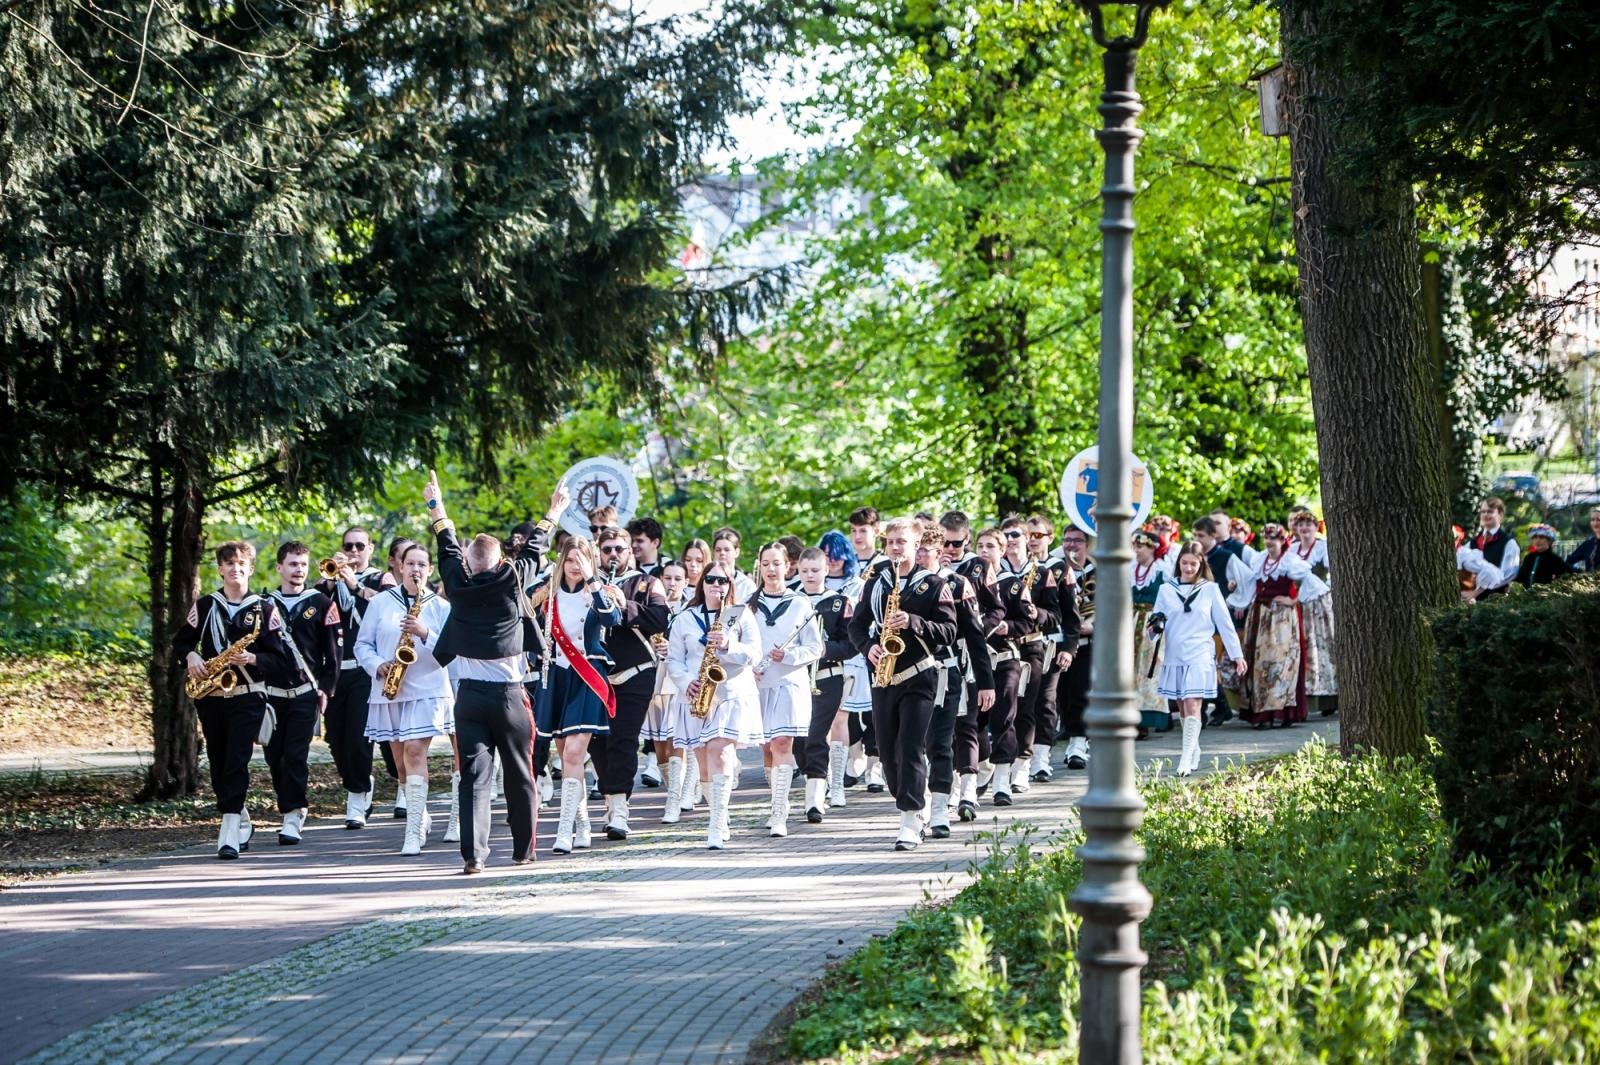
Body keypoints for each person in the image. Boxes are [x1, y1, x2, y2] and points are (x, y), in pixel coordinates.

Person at [424, 472, 554, 872]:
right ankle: (523, 851)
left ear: (468, 563)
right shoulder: (512, 583)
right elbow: (534, 549)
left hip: (470, 698)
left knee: (473, 779)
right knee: (520, 775)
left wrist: (436, 505)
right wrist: (553, 511)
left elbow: (446, 543)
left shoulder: (456, 583)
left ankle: (473, 856)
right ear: (501, 563)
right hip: (510, 696)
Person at [176, 541, 295, 859]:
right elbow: (181, 642)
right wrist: (190, 656)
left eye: (241, 563)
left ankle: (228, 832)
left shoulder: (265, 610)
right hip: (212, 696)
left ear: (251, 568)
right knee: (218, 763)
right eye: (228, 563)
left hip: (248, 696)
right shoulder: (204, 606)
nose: (235, 568)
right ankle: (240, 817)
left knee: (236, 762)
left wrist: (253, 660)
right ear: (220, 569)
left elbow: (282, 660)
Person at [848, 516, 959, 850]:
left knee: (912, 746)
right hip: (883, 676)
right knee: (887, 754)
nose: (895, 548)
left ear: (916, 545)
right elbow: (856, 626)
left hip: (920, 674)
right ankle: (912, 799)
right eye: (891, 542)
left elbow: (950, 631)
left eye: (902, 542)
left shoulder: (934, 584)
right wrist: (868, 648)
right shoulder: (878, 581)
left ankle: (910, 820)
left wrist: (913, 621)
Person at [355, 542, 454, 855]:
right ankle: (419, 813)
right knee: (400, 766)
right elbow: (362, 645)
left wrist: (424, 632)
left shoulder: (439, 607)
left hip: (427, 688)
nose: (416, 570)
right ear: (400, 567)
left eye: (422, 565)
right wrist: (377, 665)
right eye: (410, 564)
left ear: (430, 570)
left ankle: (412, 833)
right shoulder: (381, 603)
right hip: (390, 689)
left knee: (414, 751)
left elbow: (450, 652)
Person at [531, 535, 623, 853]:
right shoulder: (548, 597)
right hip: (557, 677)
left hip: (587, 677)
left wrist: (593, 580)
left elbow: (612, 618)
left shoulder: (598, 592)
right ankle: (581, 823)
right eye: (569, 560)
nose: (574, 566)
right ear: (561, 562)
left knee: (573, 754)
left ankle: (563, 831)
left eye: (580, 561)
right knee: (566, 755)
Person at [666, 562, 764, 849]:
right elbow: (674, 659)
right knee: (704, 764)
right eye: (711, 580)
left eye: (723, 580)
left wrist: (728, 646)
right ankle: (717, 813)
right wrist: (686, 683)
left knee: (719, 752)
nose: (716, 585)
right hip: (696, 695)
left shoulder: (740, 614)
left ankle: (716, 823)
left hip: (730, 694)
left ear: (730, 584)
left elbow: (755, 655)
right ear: (702, 583)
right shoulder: (685, 618)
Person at [591, 526, 670, 841]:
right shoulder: (588, 584)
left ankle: (621, 811)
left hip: (635, 670)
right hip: (595, 673)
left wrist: (624, 605)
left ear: (630, 552)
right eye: (607, 549)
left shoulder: (648, 583)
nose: (613, 555)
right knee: (596, 742)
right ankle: (611, 802)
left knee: (623, 739)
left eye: (619, 549)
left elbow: (660, 619)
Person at [262, 542, 341, 845]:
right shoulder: (263, 603)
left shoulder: (321, 603)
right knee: (274, 757)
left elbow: (333, 650)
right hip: (270, 692)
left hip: (305, 690)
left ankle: (293, 813)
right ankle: (289, 804)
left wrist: (327, 687)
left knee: (296, 755)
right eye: (293, 564)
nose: (298, 570)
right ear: (279, 567)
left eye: (303, 565)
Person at [1151, 542, 1246, 776]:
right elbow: (1153, 628)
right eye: (1185, 563)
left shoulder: (1210, 589)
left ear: (1201, 564)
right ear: (1179, 563)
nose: (1189, 567)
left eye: (1194, 563)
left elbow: (1225, 624)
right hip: (1175, 652)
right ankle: (1193, 749)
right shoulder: (1166, 589)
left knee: (1193, 703)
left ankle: (1184, 759)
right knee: (1183, 706)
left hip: (1201, 651)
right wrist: (1154, 626)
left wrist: (1237, 655)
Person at [751, 543, 822, 836]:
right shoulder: (748, 605)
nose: (771, 569)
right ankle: (774, 801)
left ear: (787, 566)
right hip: (758, 684)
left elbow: (816, 647)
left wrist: (789, 656)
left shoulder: (801, 604)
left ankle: (779, 811)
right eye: (765, 563)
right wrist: (748, 665)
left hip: (789, 683)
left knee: (782, 744)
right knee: (766, 748)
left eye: (776, 563)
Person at [939, 512, 1000, 825]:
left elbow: (997, 608)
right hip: (938, 654)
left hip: (969, 651)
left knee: (970, 725)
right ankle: (947, 790)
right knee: (942, 728)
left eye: (956, 543)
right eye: (944, 543)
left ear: (967, 539)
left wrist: (977, 628)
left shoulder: (979, 566)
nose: (949, 549)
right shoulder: (932, 572)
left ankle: (969, 791)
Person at [1241, 524, 1328, 728]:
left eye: (1274, 538)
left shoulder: (1290, 561)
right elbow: (1249, 583)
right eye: (1267, 538)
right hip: (1260, 616)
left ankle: (1281, 711)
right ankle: (1261, 714)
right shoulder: (1259, 559)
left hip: (1282, 620)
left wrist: (1293, 600)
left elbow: (1312, 583)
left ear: (1282, 540)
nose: (1269, 542)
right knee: (1259, 662)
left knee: (1281, 661)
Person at [796, 548, 853, 822]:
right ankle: (818, 778)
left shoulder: (839, 602)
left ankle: (814, 801)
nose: (810, 575)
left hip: (827, 676)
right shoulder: (790, 601)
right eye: (805, 570)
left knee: (816, 734)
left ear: (826, 571)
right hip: (795, 677)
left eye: (815, 570)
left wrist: (824, 649)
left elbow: (851, 644)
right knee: (798, 739)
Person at [995, 516, 1047, 799]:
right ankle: (999, 764)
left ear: (1027, 538)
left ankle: (1023, 764)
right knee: (1004, 709)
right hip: (1003, 647)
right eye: (1007, 535)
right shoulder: (993, 571)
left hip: (1030, 643)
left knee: (1027, 707)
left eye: (1016, 534)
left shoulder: (1041, 571)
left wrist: (1032, 613)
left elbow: (1058, 614)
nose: (1011, 539)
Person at [1024, 513, 1077, 781]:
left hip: (1051, 643)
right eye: (1027, 535)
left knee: (1046, 701)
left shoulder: (1059, 568)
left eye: (1038, 535)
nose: (1032, 541)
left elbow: (1070, 614)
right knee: (1023, 702)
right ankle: (1022, 757)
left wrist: (1069, 647)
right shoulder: (1017, 567)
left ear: (1049, 538)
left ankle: (1041, 758)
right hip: (1021, 644)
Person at [647, 560, 694, 821]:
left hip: (679, 678)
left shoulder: (690, 610)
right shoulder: (653, 606)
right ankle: (672, 788)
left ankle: (675, 798)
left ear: (685, 582)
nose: (672, 583)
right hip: (655, 676)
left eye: (678, 579)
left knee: (677, 736)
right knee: (659, 741)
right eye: (668, 578)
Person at [1054, 525, 1096, 769]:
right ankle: (1071, 734)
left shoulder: (1097, 571)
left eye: (1077, 541)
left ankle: (1079, 741)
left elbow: (1109, 605)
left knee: (1081, 692)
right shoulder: (1055, 568)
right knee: (1060, 693)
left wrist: (1093, 625)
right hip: (1059, 639)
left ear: (1087, 544)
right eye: (1067, 540)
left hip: (1086, 638)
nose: (1071, 545)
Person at [1289, 510, 1337, 715]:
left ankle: (1331, 698)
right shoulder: (1292, 550)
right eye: (1301, 525)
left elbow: (1332, 573)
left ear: (1316, 527)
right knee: (1305, 647)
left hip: (1320, 603)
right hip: (1299, 603)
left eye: (1308, 524)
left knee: (1325, 645)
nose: (1305, 529)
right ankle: (1308, 697)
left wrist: (1326, 590)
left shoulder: (1322, 547)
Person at [1130, 530, 1172, 736]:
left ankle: (1146, 719)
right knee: (1129, 670)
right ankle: (1130, 717)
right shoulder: (1130, 569)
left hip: (1152, 624)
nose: (1136, 550)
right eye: (1135, 546)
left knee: (1150, 670)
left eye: (1140, 547)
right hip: (1131, 622)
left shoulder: (1163, 571)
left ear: (1152, 549)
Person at [1459, 497, 1519, 601]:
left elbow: (1508, 575)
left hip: (1496, 601)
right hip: (1469, 601)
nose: (1485, 515)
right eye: (1483, 512)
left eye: (1490, 511)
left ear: (1500, 514)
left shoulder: (1509, 543)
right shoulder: (1472, 543)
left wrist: (1476, 592)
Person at [710, 526, 758, 602]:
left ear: (737, 552)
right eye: (718, 550)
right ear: (713, 552)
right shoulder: (707, 581)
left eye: (727, 550)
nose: (722, 553)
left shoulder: (746, 585)